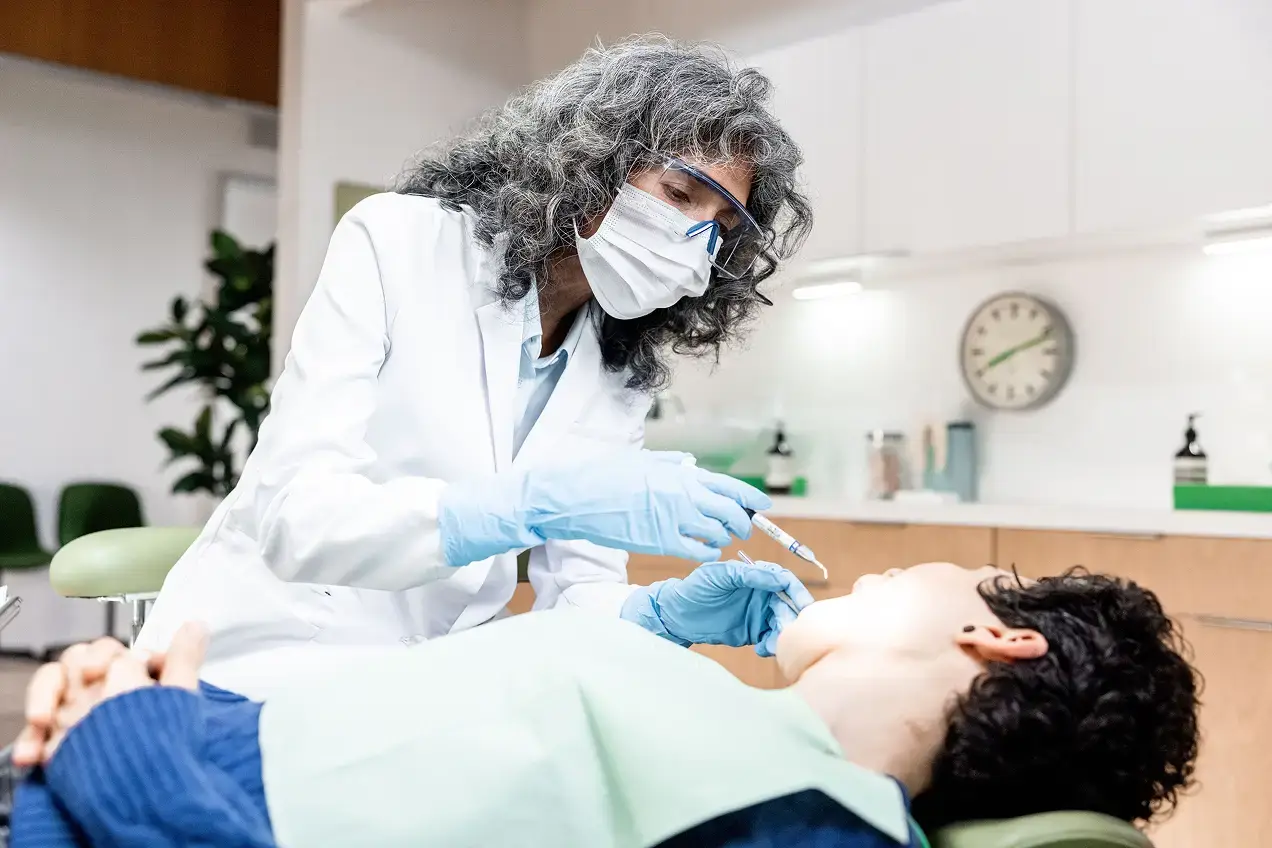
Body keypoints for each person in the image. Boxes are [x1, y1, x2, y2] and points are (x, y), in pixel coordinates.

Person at [135, 35, 816, 698]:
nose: (696, 240)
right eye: (680, 194)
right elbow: (295, 519)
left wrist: (659, 614)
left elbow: (578, 594)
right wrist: (532, 505)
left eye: (721, 226)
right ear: (595, 161)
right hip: (259, 661)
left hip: (424, 689)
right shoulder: (397, 240)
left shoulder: (617, 366)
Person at [9, 563, 1199, 847]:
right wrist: (131, 687)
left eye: (940, 572)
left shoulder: (812, 824)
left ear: (996, 634)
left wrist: (126, 744)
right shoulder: (727, 720)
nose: (883, 568)